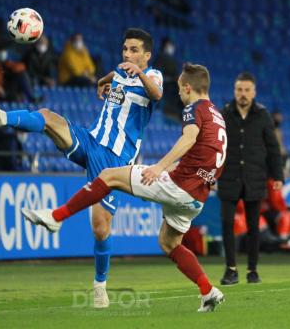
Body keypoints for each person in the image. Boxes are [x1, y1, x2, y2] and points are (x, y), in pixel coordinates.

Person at [0, 28, 163, 308]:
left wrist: (139, 72)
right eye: (125, 49)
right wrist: (103, 80)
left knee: (100, 228)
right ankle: (1, 117)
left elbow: (157, 94)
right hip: (90, 140)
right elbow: (116, 76)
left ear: (146, 55)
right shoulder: (121, 72)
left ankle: (100, 286)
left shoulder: (153, 75)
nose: (127, 54)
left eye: (134, 50)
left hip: (114, 159)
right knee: (49, 117)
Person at [22, 63, 225, 313]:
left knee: (108, 176)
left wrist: (160, 167)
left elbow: (189, 138)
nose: (179, 95)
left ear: (187, 87)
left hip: (177, 184)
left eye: (180, 90)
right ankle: (207, 291)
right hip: (197, 196)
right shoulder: (218, 116)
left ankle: (56, 216)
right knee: (169, 243)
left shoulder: (194, 109)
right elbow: (216, 153)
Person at [218, 72, 283, 285]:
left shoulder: (263, 115)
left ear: (254, 92)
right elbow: (215, 146)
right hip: (229, 177)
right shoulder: (224, 114)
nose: (243, 94)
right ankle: (231, 270)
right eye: (239, 90)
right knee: (227, 224)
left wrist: (277, 175)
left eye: (247, 90)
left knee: (254, 227)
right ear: (234, 91)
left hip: (255, 177)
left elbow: (273, 148)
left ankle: (252, 270)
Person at [153, 38, 181, 121]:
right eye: (169, 45)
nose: (172, 47)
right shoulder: (161, 57)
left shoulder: (171, 59)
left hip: (173, 86)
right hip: (168, 87)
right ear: (165, 46)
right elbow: (157, 73)